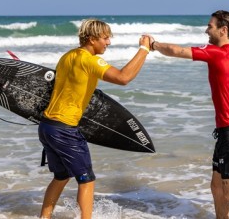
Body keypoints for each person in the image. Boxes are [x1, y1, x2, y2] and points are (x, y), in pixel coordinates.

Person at [147, 10, 229, 219]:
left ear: (223, 30)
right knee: (216, 186)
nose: (206, 30)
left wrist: (153, 44)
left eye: (210, 26)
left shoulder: (216, 52)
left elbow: (176, 51)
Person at [38, 19, 151, 219]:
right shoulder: (90, 60)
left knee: (62, 175)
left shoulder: (68, 56)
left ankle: (44, 217)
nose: (108, 42)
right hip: (65, 129)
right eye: (105, 38)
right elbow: (123, 77)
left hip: (47, 127)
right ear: (91, 39)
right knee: (86, 179)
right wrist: (143, 49)